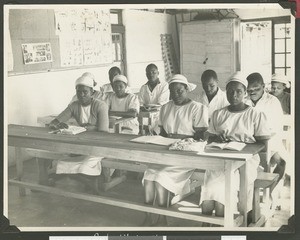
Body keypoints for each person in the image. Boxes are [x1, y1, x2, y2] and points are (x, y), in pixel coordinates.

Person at [201, 71, 270, 221]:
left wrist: (241, 147)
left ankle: (231, 218)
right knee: (211, 179)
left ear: (245, 93)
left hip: (246, 160)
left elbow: (263, 145)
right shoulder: (219, 114)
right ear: (226, 93)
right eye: (230, 91)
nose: (234, 95)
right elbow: (208, 137)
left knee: (229, 181)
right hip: (222, 156)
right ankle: (208, 219)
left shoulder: (255, 114)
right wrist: (215, 137)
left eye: (238, 91)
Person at [142, 74, 208, 226]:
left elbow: (200, 137)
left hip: (186, 153)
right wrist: (154, 137)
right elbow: (164, 133)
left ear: (187, 89)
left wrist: (181, 141)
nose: (176, 94)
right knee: (149, 175)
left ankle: (162, 218)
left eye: (180, 90)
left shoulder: (197, 108)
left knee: (160, 176)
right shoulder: (166, 107)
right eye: (173, 91)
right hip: (167, 151)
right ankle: (148, 216)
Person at [46, 75, 109, 193]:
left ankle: (89, 181)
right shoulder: (74, 105)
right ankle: (88, 181)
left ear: (92, 92)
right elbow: (55, 121)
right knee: (63, 164)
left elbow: (103, 133)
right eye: (78, 92)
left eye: (85, 92)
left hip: (98, 145)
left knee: (84, 165)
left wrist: (90, 129)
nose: (81, 95)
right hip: (81, 145)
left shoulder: (101, 105)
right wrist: (57, 124)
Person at [246, 72, 288, 210]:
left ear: (263, 87)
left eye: (256, 89)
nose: (252, 92)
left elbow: (276, 127)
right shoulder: (244, 100)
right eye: (249, 90)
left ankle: (270, 191)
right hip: (248, 141)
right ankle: (250, 194)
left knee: (282, 162)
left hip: (270, 139)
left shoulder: (272, 101)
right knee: (251, 164)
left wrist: (262, 139)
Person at [138, 64, 170, 134]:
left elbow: (161, 103)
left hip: (160, 115)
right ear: (146, 74)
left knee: (157, 135)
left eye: (153, 72)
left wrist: (146, 107)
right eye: (148, 73)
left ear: (158, 73)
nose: (151, 74)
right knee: (144, 134)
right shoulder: (143, 87)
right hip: (146, 116)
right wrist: (144, 107)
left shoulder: (164, 85)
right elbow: (140, 103)